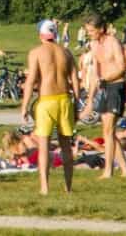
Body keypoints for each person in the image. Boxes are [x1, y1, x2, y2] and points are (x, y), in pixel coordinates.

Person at [18, 18, 78, 196]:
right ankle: (68, 187)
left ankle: (45, 187)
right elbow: (75, 79)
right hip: (65, 99)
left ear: (40, 35)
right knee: (66, 145)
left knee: (43, 145)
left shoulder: (36, 52)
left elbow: (30, 81)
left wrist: (24, 105)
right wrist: (77, 103)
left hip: (47, 99)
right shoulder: (66, 52)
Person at [84, 14, 126, 178]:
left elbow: (122, 67)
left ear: (101, 29)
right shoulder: (93, 44)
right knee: (107, 132)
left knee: (108, 130)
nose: (89, 33)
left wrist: (106, 79)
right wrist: (90, 99)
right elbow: (94, 73)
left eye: (91, 30)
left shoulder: (113, 42)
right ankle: (125, 168)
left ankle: (108, 170)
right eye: (87, 31)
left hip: (116, 85)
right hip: (103, 86)